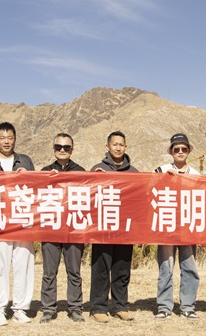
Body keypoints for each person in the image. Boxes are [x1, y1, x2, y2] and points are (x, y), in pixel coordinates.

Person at [0, 122, 35, 326]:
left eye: (10, 138)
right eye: (2, 138)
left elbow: (37, 189)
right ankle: (0, 309)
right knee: (0, 266)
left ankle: (20, 308)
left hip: (22, 221)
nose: (6, 141)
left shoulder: (26, 161)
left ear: (15, 139)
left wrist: (27, 176)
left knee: (24, 265)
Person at [89, 131, 138, 323]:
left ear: (126, 147)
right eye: (114, 144)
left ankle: (120, 306)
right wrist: (94, 179)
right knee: (101, 268)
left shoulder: (134, 172)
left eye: (121, 145)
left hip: (125, 228)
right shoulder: (98, 169)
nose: (118, 148)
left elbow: (139, 199)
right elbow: (87, 195)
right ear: (107, 147)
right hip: (102, 228)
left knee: (122, 269)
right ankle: (98, 307)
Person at [39, 133, 86, 324]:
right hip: (50, 228)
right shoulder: (45, 171)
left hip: (73, 229)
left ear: (72, 150)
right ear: (54, 149)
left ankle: (75, 308)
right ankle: (48, 309)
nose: (62, 150)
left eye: (66, 147)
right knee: (49, 272)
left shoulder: (81, 172)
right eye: (58, 147)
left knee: (74, 271)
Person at [153, 133, 201, 320]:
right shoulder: (161, 170)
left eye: (184, 149)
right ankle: (164, 306)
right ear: (171, 152)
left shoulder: (196, 175)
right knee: (166, 267)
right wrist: (164, 179)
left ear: (188, 151)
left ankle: (188, 306)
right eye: (176, 149)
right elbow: (148, 187)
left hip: (188, 226)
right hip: (167, 226)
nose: (180, 152)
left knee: (189, 267)